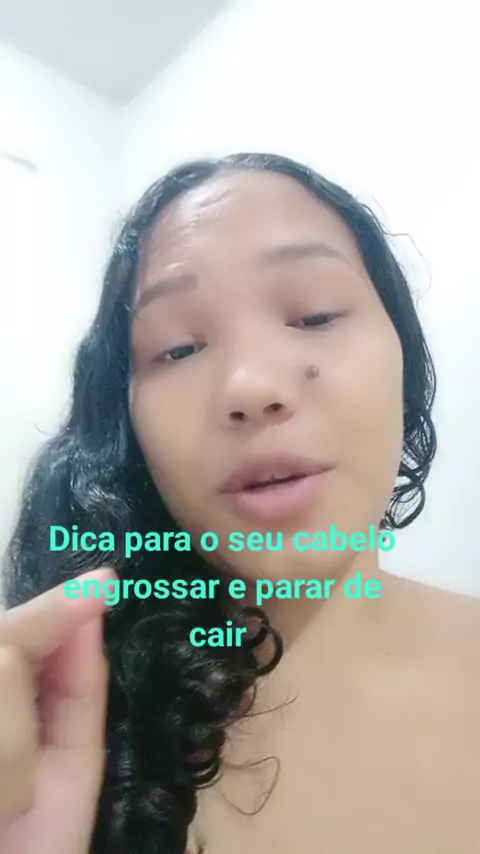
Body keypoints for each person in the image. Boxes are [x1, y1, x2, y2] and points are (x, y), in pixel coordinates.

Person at [1, 151, 479, 854]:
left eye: (314, 315)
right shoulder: (59, 727)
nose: (251, 386)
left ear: (403, 356)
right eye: (178, 349)